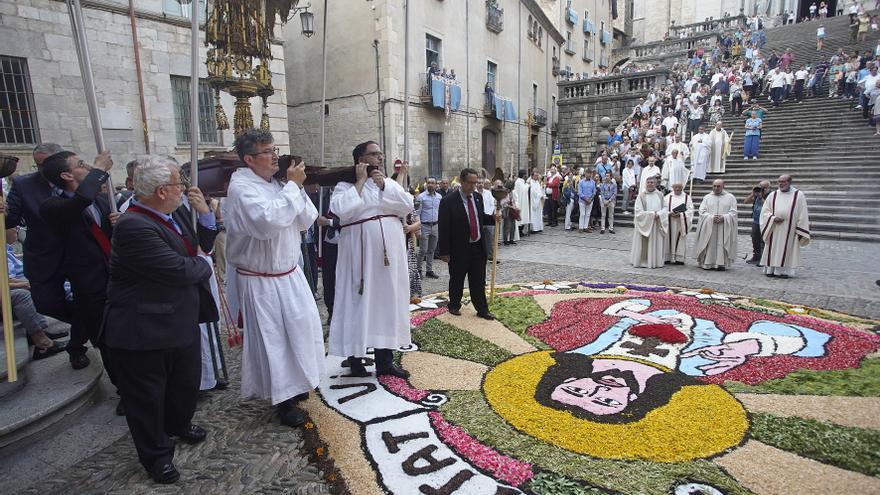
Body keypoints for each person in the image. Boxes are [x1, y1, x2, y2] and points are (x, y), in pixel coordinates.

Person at [103, 156, 216, 484]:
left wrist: (205, 219)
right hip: (143, 328)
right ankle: (156, 455)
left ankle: (178, 424)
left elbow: (201, 245)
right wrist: (202, 266)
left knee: (185, 384)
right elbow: (183, 270)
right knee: (147, 398)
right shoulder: (133, 225)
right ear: (162, 190)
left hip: (180, 318)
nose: (184, 189)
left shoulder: (175, 211)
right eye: (179, 184)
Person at [222, 130, 325, 427]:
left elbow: (307, 219)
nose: (275, 156)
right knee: (274, 341)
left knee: (302, 329)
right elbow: (266, 222)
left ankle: (299, 381)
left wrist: (295, 188)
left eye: (275, 149)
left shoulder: (278, 183)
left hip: (289, 274)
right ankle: (283, 400)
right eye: (268, 151)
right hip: (261, 279)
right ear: (249, 159)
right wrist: (292, 188)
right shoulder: (242, 187)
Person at [3, 143, 92, 369]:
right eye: (39, 164)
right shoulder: (24, 185)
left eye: (47, 164)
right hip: (44, 257)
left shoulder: (80, 182)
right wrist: (4, 213)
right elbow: (10, 220)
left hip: (79, 254)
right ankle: (93, 323)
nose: (43, 169)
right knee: (46, 303)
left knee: (86, 301)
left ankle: (77, 346)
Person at [329, 141, 413, 378]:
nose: (380, 158)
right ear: (360, 159)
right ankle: (355, 360)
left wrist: (385, 184)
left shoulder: (386, 184)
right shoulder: (345, 185)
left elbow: (406, 205)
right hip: (360, 256)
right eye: (374, 154)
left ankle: (385, 362)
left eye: (380, 154)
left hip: (389, 259)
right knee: (358, 303)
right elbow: (340, 210)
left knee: (387, 303)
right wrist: (360, 182)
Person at [438, 168, 500, 320]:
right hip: (458, 249)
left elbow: (479, 218)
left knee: (478, 280)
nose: (473, 186)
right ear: (462, 181)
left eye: (475, 183)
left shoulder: (477, 198)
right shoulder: (448, 201)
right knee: (457, 279)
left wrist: (493, 218)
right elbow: (443, 227)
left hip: (477, 247)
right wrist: (444, 251)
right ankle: (454, 305)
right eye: (470, 183)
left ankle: (482, 309)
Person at [760, 175, 810, 278]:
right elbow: (765, 212)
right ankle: (770, 269)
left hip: (789, 229)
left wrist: (800, 228)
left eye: (783, 181)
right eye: (779, 181)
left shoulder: (798, 195)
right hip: (774, 227)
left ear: (790, 182)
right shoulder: (773, 195)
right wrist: (773, 218)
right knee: (772, 248)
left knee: (787, 249)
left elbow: (803, 213)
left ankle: (783, 272)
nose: (781, 184)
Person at [694, 179, 738, 271]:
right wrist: (711, 217)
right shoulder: (707, 197)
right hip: (710, 225)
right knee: (709, 244)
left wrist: (724, 217)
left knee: (721, 244)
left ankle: (721, 264)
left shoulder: (730, 197)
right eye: (714, 186)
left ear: (723, 186)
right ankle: (707, 263)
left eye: (718, 186)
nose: (716, 188)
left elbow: (733, 212)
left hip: (723, 226)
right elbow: (702, 211)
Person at [631, 177, 668, 268]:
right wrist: (651, 215)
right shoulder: (641, 196)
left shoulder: (660, 195)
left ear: (655, 184)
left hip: (656, 224)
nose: (650, 184)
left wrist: (659, 214)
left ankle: (655, 261)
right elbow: (638, 211)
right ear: (645, 183)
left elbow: (665, 208)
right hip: (645, 225)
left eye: (652, 182)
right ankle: (642, 261)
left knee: (655, 243)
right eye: (648, 182)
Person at [416, 177, 441, 278]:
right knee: (423, 250)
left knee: (432, 250)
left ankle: (429, 270)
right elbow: (417, 213)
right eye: (429, 183)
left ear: (436, 185)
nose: (430, 185)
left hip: (435, 226)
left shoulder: (439, 197)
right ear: (426, 184)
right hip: (424, 226)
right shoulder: (420, 197)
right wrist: (418, 228)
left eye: (433, 183)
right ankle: (418, 270)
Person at [664, 182, 694, 265]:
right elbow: (663, 209)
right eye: (676, 187)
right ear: (672, 187)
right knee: (668, 239)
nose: (677, 189)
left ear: (682, 187)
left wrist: (681, 214)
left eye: (679, 187)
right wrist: (669, 213)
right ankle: (667, 257)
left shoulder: (687, 198)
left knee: (680, 239)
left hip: (681, 223)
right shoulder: (667, 197)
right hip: (669, 221)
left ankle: (679, 258)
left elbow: (690, 210)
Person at [744, 180, 770, 264]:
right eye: (760, 187)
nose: (762, 189)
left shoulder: (770, 195)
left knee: (763, 240)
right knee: (755, 239)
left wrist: (761, 197)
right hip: (756, 221)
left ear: (767, 188)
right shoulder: (756, 195)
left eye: (764, 187)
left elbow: (768, 206)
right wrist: (753, 193)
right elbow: (746, 201)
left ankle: (763, 259)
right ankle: (756, 257)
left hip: (765, 221)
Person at [526, 168, 544, 233]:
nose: (537, 177)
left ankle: (539, 227)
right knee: (534, 215)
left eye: (537, 175)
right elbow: (532, 192)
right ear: (532, 176)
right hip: (534, 201)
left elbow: (539, 190)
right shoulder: (530, 182)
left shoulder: (537, 182)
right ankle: (534, 228)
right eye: (535, 176)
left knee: (539, 214)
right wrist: (538, 195)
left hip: (538, 201)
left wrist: (541, 195)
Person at [513, 169, 530, 237]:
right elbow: (523, 190)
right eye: (525, 174)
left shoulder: (522, 182)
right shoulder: (518, 182)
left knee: (523, 215)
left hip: (524, 201)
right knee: (521, 216)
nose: (526, 176)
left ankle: (521, 230)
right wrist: (527, 186)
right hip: (520, 201)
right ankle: (519, 230)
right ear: (523, 175)